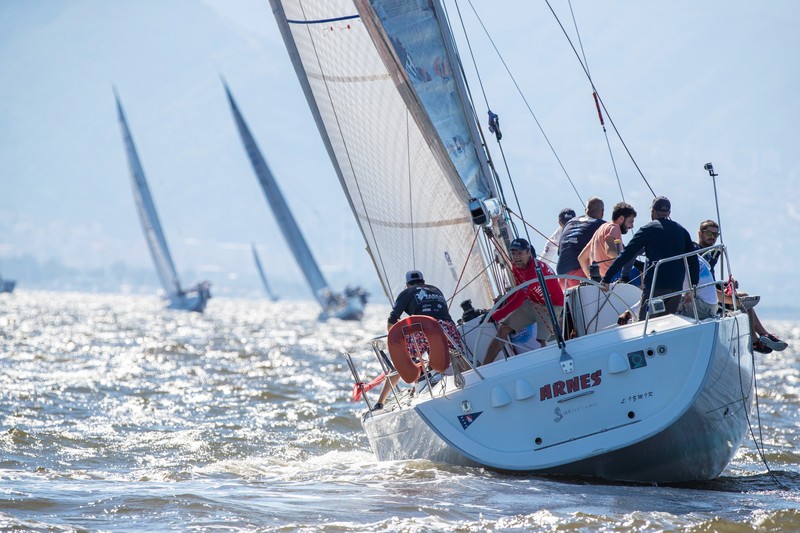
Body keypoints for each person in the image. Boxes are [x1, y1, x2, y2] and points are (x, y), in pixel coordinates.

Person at [692, 220, 787, 353]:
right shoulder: (695, 252)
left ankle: (762, 335)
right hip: (705, 298)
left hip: (712, 292)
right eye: (709, 233)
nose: (712, 237)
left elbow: (709, 280)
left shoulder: (713, 252)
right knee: (743, 300)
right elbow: (701, 282)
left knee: (745, 298)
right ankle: (757, 339)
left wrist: (726, 284)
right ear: (699, 234)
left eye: (715, 234)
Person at [373, 270, 463, 410]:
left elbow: (392, 319)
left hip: (425, 330)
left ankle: (380, 401)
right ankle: (443, 374)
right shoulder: (436, 290)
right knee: (449, 351)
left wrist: (393, 342)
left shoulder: (407, 292)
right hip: (448, 330)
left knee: (403, 357)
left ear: (407, 284)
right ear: (423, 282)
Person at [600, 196, 698, 320]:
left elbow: (626, 254)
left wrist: (607, 278)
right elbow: (693, 260)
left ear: (653, 212)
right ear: (669, 213)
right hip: (675, 289)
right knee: (666, 324)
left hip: (654, 289)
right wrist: (693, 286)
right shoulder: (682, 231)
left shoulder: (648, 229)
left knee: (645, 324)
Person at [483, 238, 564, 365]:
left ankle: (548, 366)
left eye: (520, 253)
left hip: (551, 305)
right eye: (513, 253)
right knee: (503, 329)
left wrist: (495, 316)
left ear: (529, 253)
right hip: (533, 303)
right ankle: (484, 367)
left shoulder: (534, 270)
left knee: (542, 340)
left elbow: (519, 299)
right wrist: (498, 308)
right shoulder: (516, 266)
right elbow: (518, 290)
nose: (516, 257)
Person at [577, 202, 637, 280]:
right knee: (642, 271)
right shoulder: (614, 228)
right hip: (613, 276)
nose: (632, 226)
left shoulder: (600, 229)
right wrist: (630, 258)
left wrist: (591, 279)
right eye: (630, 221)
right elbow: (610, 251)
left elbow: (581, 258)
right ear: (621, 219)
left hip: (601, 279)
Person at [556, 197, 605, 289]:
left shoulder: (569, 223)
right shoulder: (602, 225)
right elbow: (618, 251)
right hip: (580, 275)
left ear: (585, 210)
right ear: (602, 212)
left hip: (561, 277)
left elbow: (560, 252)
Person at [677, 254, 719, 319]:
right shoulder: (694, 255)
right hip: (710, 305)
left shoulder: (679, 264)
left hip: (703, 308)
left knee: (668, 305)